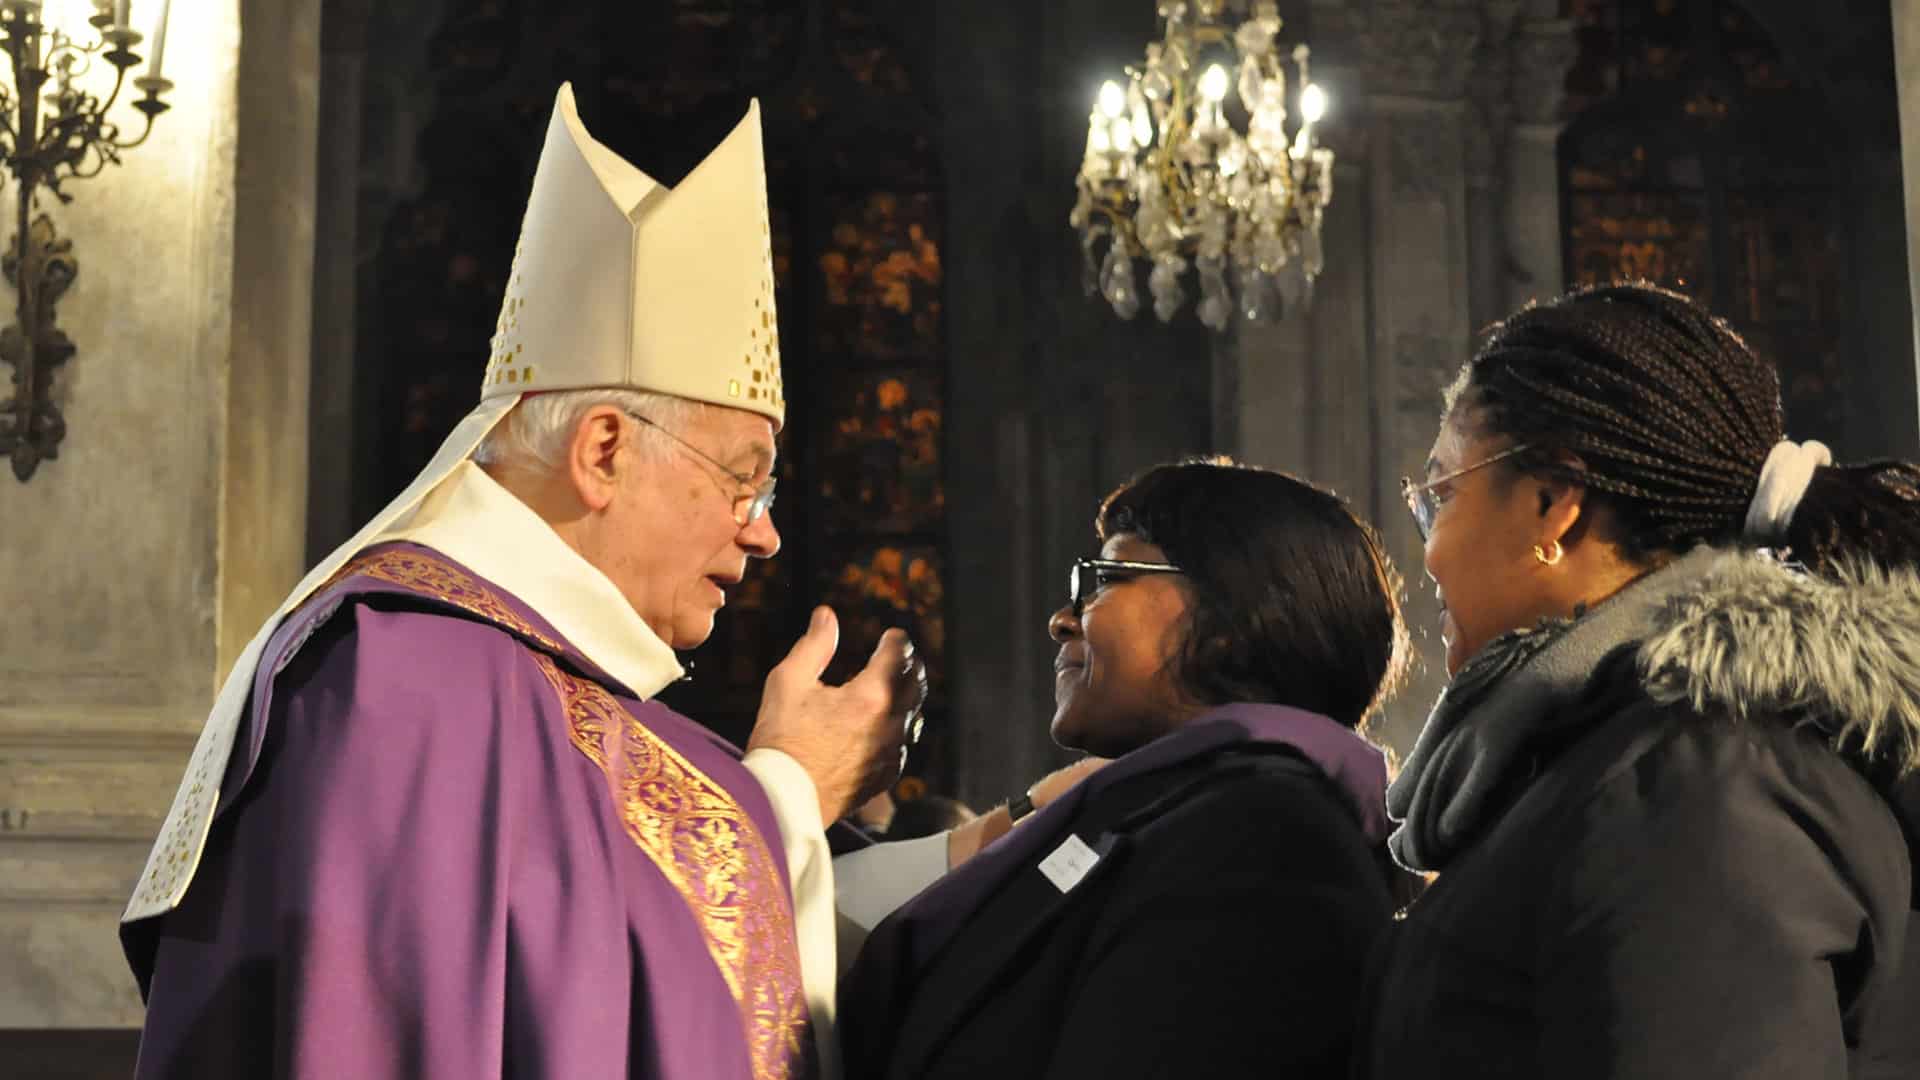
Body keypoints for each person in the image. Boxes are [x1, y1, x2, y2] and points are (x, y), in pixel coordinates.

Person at [119, 84, 923, 1080]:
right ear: (602, 452)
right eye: (744, 477)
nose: (763, 533)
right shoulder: (401, 680)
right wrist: (794, 787)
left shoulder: (489, 675)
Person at [1359, 282, 1920, 1079]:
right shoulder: (1619, 757)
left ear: (1553, 505)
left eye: (1441, 495)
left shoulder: (1701, 789)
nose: (1429, 551)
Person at [838, 458, 1417, 1080]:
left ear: (1229, 620)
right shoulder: (1171, 815)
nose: (1063, 618)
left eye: (1105, 578)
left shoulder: (1265, 843)